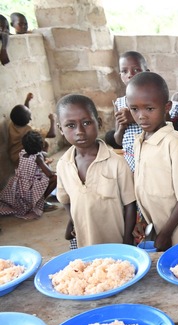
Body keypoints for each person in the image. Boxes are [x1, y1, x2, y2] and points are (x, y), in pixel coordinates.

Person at [127, 72, 178, 250]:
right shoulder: (139, 141)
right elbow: (144, 188)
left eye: (149, 109)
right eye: (134, 109)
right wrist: (143, 220)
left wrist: (166, 233)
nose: (141, 116)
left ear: (167, 107)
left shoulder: (175, 143)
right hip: (158, 225)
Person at [54, 94, 136, 247]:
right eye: (70, 125)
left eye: (86, 123)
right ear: (61, 129)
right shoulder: (63, 165)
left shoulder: (116, 163)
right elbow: (66, 200)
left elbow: (130, 204)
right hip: (84, 242)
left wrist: (127, 240)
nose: (79, 131)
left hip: (116, 243)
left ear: (98, 123)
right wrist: (73, 220)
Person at [0, 131, 57, 219]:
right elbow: (49, 174)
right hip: (29, 189)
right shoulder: (37, 158)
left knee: (42, 176)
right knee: (55, 178)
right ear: (41, 146)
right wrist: (48, 163)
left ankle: (38, 200)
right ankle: (40, 202)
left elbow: (29, 169)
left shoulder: (22, 153)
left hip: (20, 186)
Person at [114, 50, 149, 171]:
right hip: (130, 162)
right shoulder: (119, 103)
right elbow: (118, 140)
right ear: (121, 76)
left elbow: (164, 127)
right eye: (124, 71)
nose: (130, 74)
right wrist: (122, 126)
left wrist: (133, 118)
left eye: (136, 70)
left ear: (146, 72)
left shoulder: (153, 99)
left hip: (151, 159)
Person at [8, 92, 56, 169]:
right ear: (25, 119)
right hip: (24, 158)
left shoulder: (13, 124)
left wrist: (27, 101)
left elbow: (23, 113)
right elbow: (52, 134)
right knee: (44, 144)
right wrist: (53, 119)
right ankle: (42, 164)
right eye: (29, 117)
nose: (30, 118)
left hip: (14, 156)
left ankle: (41, 160)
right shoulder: (30, 130)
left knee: (44, 143)